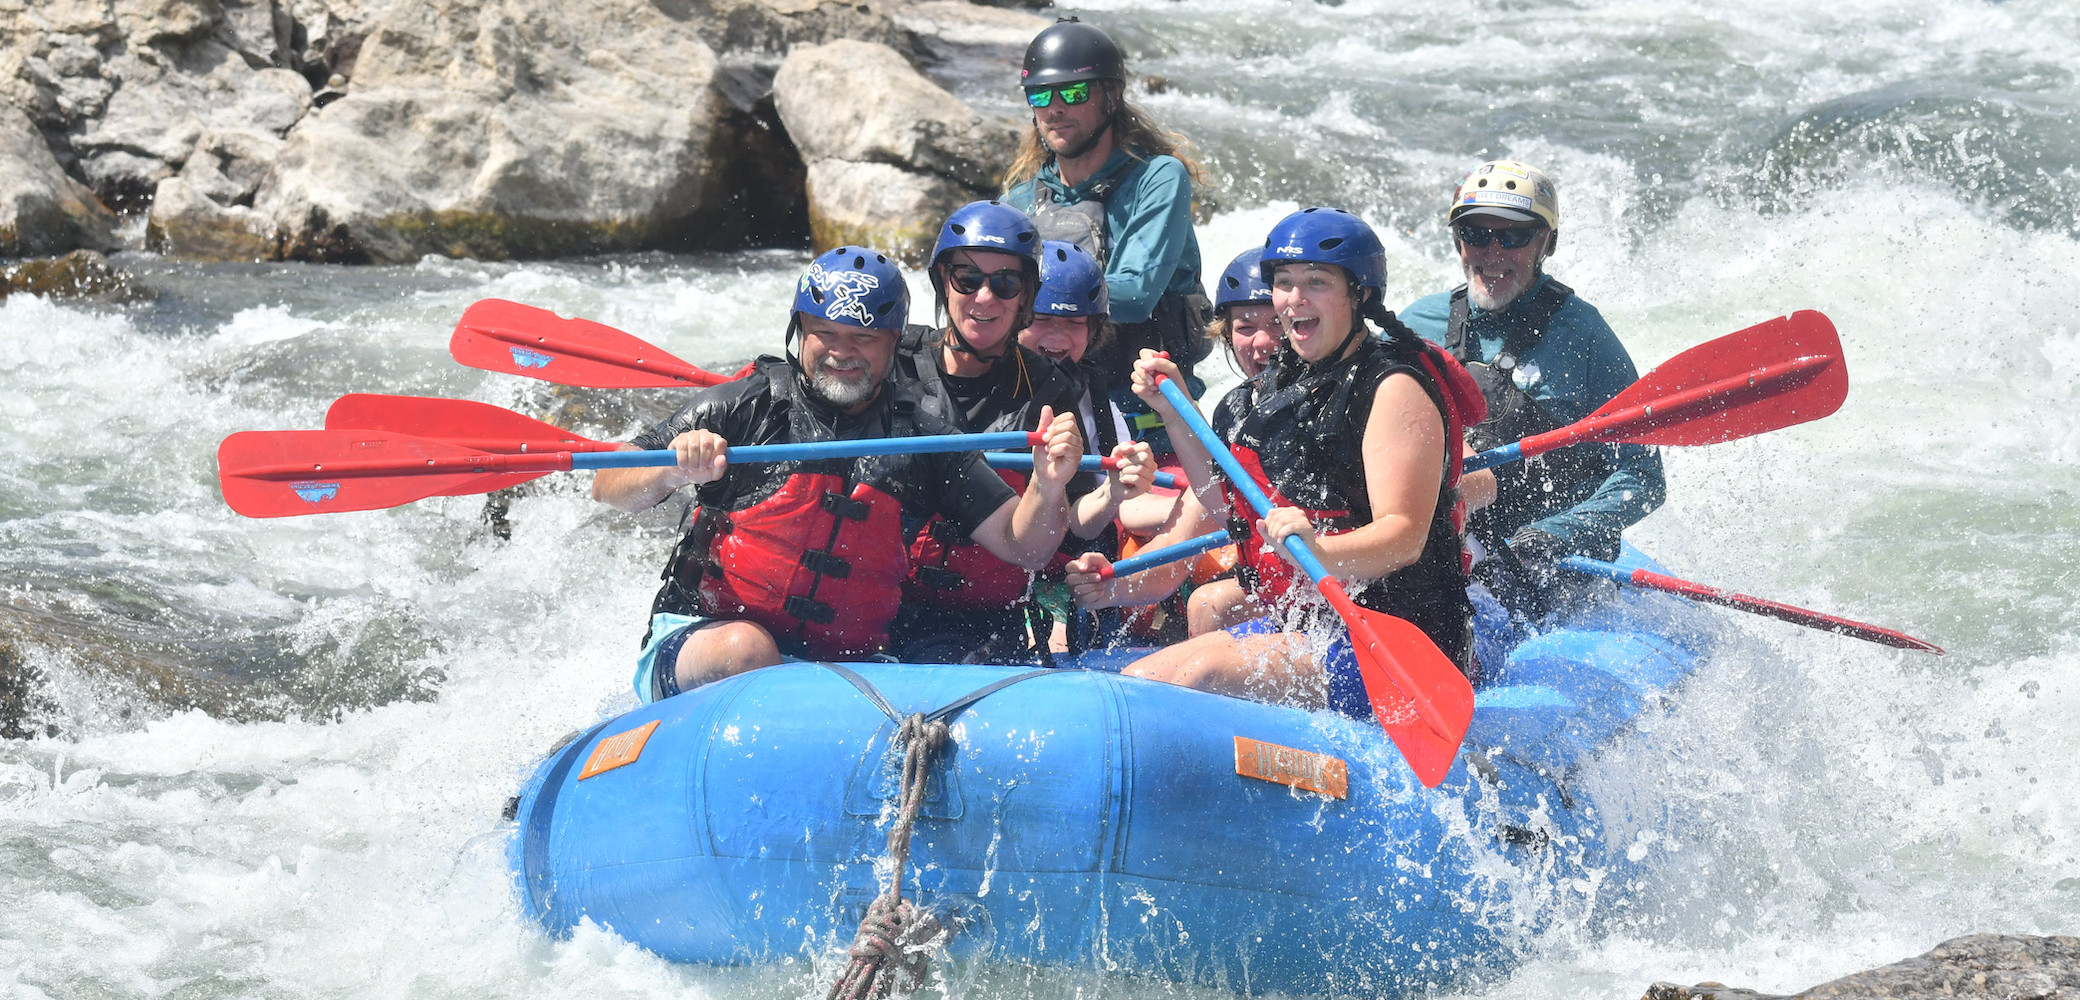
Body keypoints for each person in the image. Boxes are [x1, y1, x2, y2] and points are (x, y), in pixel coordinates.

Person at [594, 247, 1081, 702]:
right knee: (749, 650)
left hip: (846, 670)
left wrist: (1048, 485)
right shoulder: (747, 406)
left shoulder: (924, 441)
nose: (841, 351)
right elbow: (607, 485)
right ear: (800, 331)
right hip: (705, 647)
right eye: (825, 331)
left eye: (863, 337)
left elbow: (1026, 546)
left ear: (894, 342)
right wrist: (670, 469)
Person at [1070, 209, 1487, 715]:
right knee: (1161, 664)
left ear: (1361, 295)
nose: (1295, 300)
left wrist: (1322, 551)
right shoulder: (1269, 395)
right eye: (1284, 283)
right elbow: (1224, 509)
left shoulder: (1393, 387)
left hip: (1401, 642)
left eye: (1317, 282)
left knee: (1189, 675)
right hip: (1316, 621)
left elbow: (1404, 536)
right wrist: (1172, 409)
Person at [1399, 160, 1666, 632]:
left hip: (1548, 570)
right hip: (1448, 550)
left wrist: (1554, 535)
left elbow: (1641, 474)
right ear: (1459, 240)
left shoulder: (1583, 336)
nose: (1491, 252)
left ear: (1547, 243)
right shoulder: (1420, 324)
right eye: (1476, 234)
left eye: (1514, 237)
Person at [892, 201, 1092, 663]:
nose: (984, 298)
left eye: (1005, 283)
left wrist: (1050, 482)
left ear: (1025, 296)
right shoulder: (891, 359)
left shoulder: (1047, 388)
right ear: (944, 282)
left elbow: (1068, 523)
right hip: (877, 600)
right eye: (967, 279)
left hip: (977, 616)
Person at [1002, 17, 1212, 456]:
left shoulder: (1158, 178)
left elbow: (1135, 296)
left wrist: (1018, 291)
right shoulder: (1020, 201)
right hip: (1046, 408)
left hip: (1142, 411)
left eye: (1073, 93)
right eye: (1040, 94)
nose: (1055, 107)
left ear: (1110, 97)